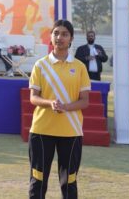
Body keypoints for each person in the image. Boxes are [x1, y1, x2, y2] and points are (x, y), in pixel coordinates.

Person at [28, 19, 90, 199]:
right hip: (41, 130)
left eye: (64, 34)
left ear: (71, 39)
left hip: (71, 131)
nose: (59, 37)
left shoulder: (79, 67)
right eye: (56, 33)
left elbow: (85, 101)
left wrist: (66, 107)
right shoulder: (40, 65)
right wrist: (50, 103)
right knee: (37, 180)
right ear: (50, 37)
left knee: (69, 181)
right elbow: (33, 97)